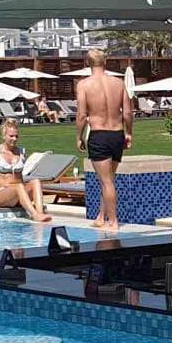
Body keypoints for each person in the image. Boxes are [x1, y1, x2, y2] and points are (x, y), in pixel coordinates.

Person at [74, 48, 132, 231]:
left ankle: (113, 221)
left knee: (106, 182)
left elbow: (81, 115)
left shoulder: (84, 85)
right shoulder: (118, 83)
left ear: (87, 63)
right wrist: (129, 133)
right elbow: (128, 113)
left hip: (99, 135)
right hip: (117, 134)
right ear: (105, 62)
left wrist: (79, 136)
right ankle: (101, 217)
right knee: (108, 180)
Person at [0, 119, 48, 220]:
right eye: (11, 136)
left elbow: (19, 177)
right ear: (4, 136)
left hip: (19, 193)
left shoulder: (21, 152)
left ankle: (40, 213)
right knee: (19, 186)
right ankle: (35, 215)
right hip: (2, 194)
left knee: (36, 182)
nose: (14, 139)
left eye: (16, 136)